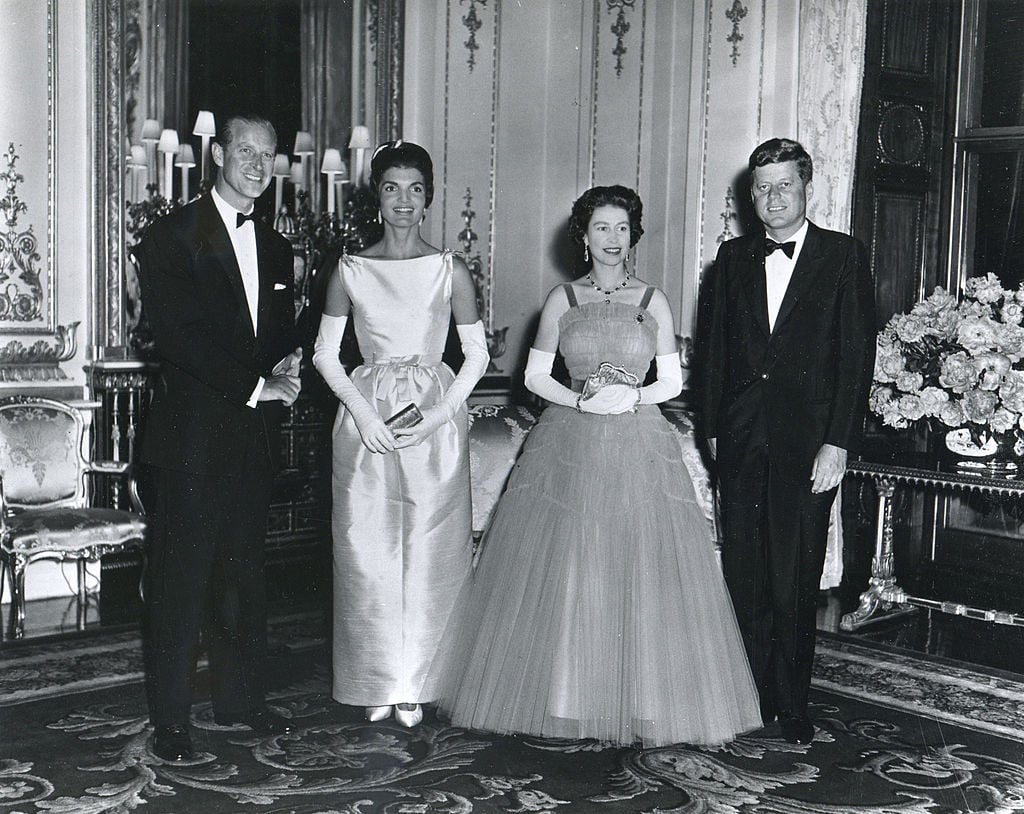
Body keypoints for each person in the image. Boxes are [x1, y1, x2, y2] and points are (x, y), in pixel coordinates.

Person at [429, 185, 762, 748]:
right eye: (601, 228)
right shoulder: (564, 299)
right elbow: (535, 376)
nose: (613, 239)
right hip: (570, 441)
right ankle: (569, 696)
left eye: (623, 228)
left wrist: (630, 398)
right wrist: (581, 400)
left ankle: (644, 697)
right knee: (575, 563)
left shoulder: (653, 299)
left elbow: (674, 380)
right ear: (583, 237)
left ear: (634, 235)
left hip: (639, 443)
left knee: (639, 564)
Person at [695, 138, 876, 745]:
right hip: (741, 438)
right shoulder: (731, 258)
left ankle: (794, 704)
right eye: (763, 187)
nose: (773, 198)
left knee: (795, 575)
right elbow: (715, 351)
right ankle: (749, 698)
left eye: (785, 186)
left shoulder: (844, 256)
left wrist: (839, 443)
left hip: (810, 445)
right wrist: (714, 427)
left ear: (807, 189)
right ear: (751, 195)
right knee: (744, 572)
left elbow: (856, 359)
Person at [137, 113, 303, 761]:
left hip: (251, 440)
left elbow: (280, 333)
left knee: (242, 576)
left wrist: (291, 360)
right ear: (218, 153)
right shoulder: (171, 238)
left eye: (268, 154)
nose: (258, 165)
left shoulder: (280, 248)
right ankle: (172, 722)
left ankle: (240, 700)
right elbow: (180, 339)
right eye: (245, 151)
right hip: (190, 441)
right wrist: (258, 386)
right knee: (182, 581)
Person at [312, 140, 489, 728]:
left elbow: (477, 356)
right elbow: (325, 355)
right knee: (367, 551)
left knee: (433, 552)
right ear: (377, 196)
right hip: (366, 423)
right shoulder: (349, 270)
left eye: (415, 188)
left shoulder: (449, 270)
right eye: (392, 187)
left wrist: (439, 416)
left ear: (429, 195)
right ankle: (377, 678)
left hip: (433, 423)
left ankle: (419, 681)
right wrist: (363, 415)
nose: (404, 201)